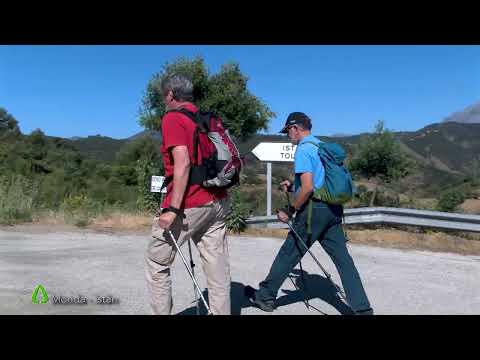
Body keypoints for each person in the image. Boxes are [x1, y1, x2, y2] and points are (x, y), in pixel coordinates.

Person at [246, 112, 373, 315]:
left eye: (288, 130)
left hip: (313, 212)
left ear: (296, 128)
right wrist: (291, 188)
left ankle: (265, 296)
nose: (288, 135)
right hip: (333, 210)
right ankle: (363, 309)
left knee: (288, 254)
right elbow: (319, 182)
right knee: (344, 261)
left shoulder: (304, 150)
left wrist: (289, 210)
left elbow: (307, 188)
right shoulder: (320, 146)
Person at [144, 74, 231, 315]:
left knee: (156, 260)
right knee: (217, 270)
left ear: (171, 94)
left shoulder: (173, 118)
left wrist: (172, 209)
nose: (164, 99)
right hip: (218, 200)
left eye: (164, 95)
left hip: (190, 204)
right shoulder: (205, 119)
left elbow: (181, 163)